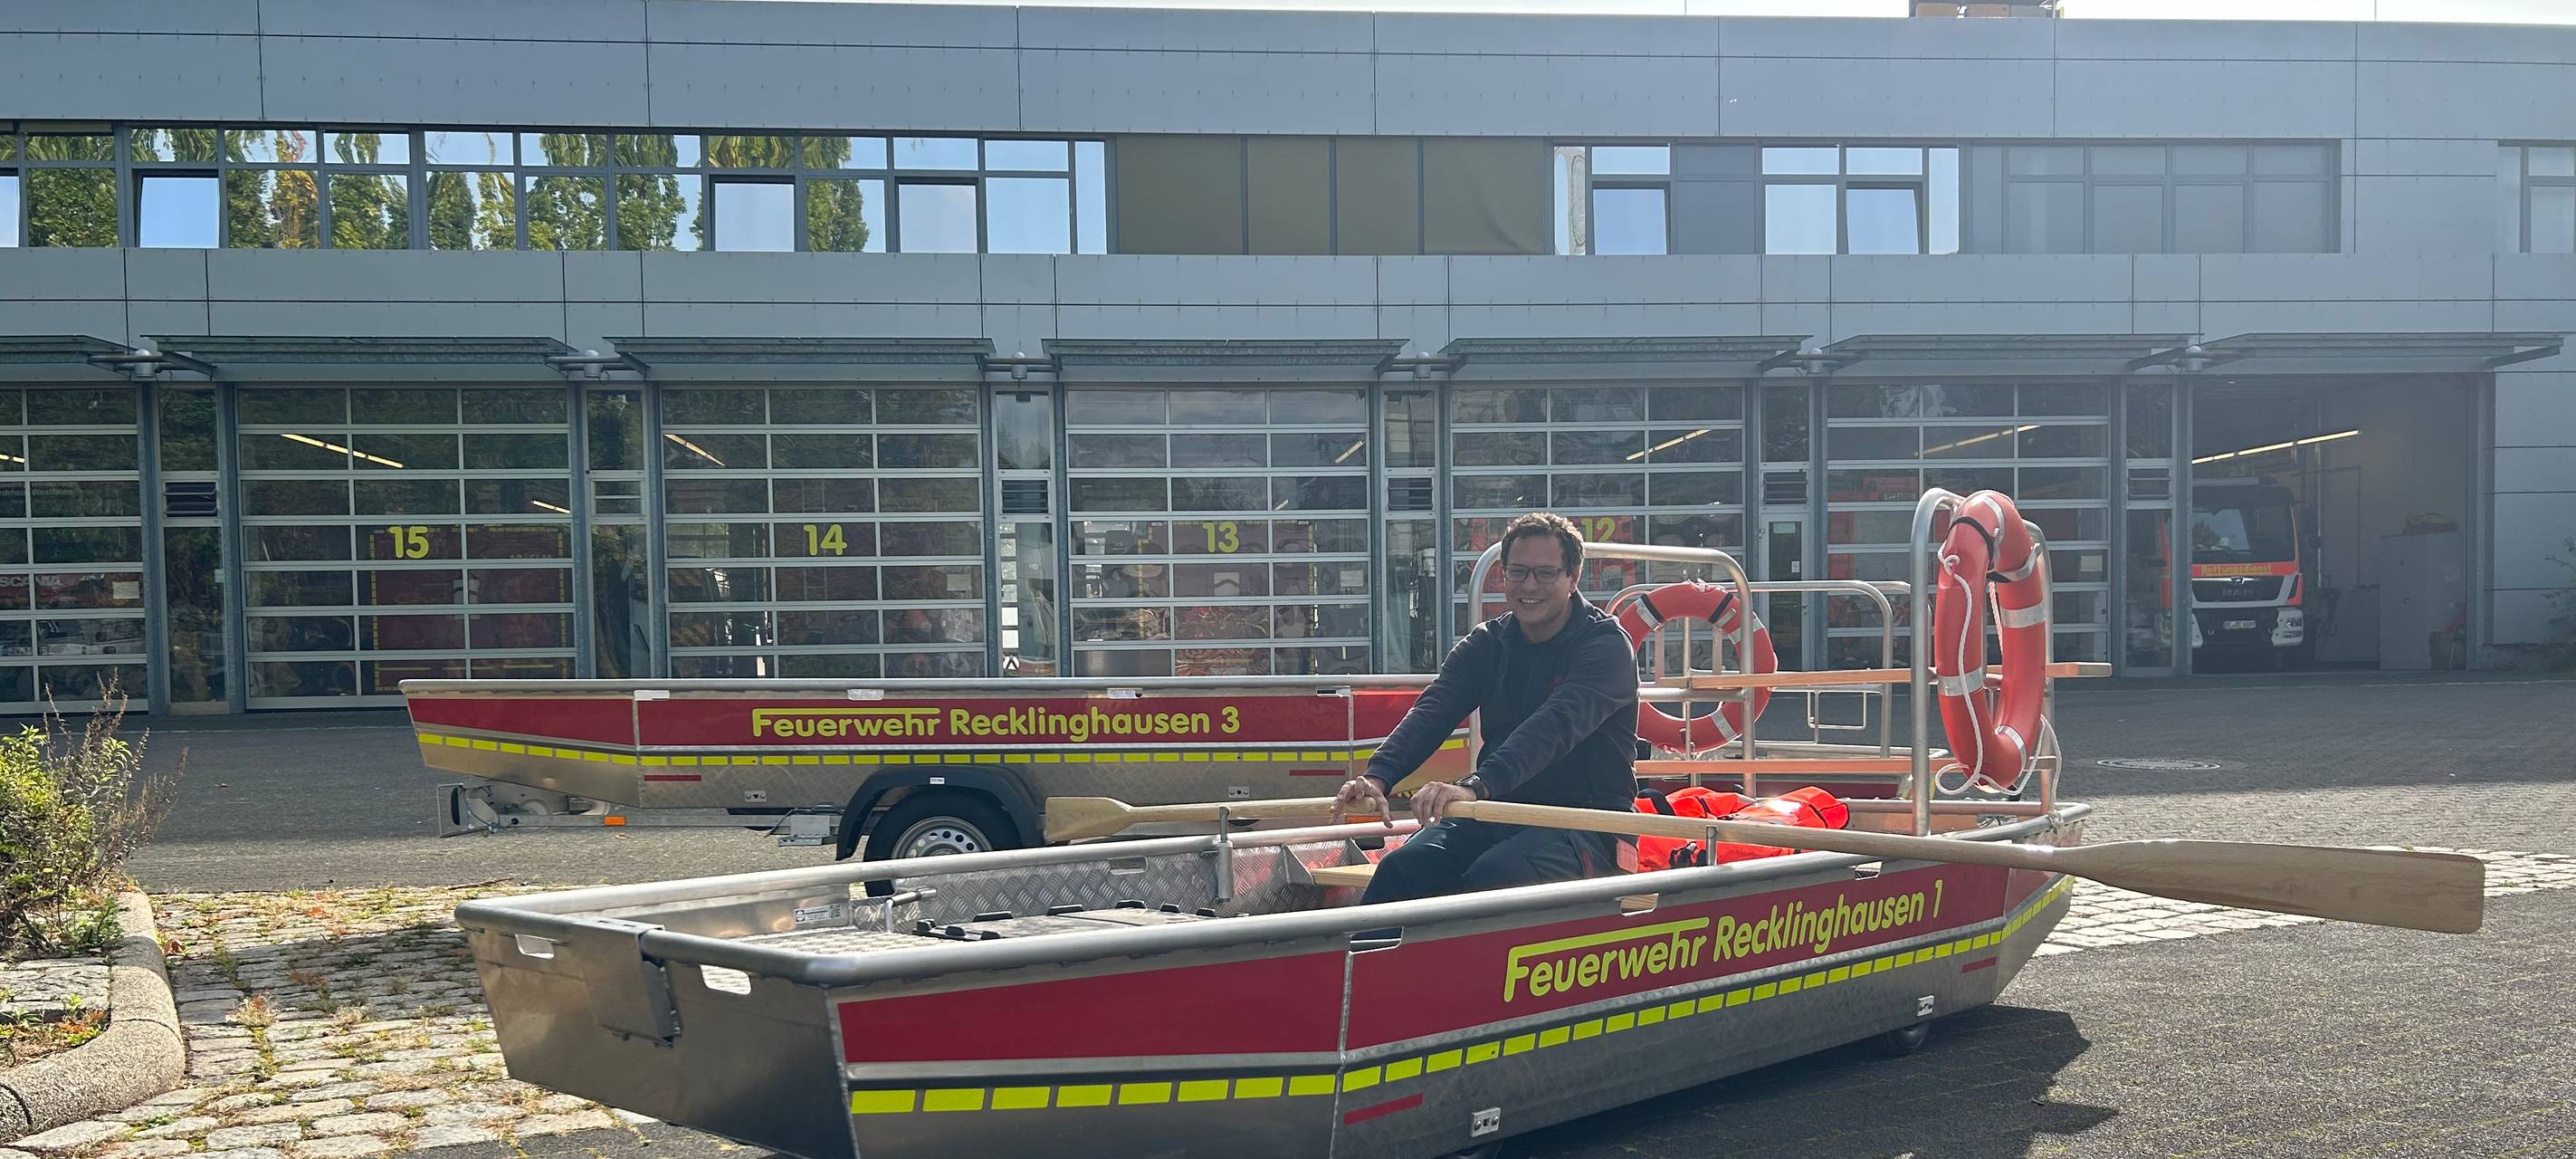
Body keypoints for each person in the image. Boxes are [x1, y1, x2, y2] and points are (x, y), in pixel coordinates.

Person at [1332, 512, 1638, 904]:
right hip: (1499, 811)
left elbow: (1553, 726)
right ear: (1504, 575)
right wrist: (1379, 777)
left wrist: (1475, 786)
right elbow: (1433, 710)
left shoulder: (1606, 646)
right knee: (1404, 868)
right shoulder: (1488, 643)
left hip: (1589, 824)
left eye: (1546, 574)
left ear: (1573, 577)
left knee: (1495, 878)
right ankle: (1364, 963)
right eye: (1518, 572)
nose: (1530, 586)